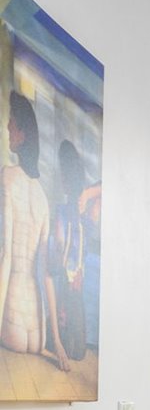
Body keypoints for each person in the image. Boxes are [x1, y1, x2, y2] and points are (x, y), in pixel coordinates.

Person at [0, 90, 67, 370]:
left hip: (12, 319)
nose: (7, 127)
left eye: (12, 123)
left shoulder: (7, 176)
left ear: (23, 133)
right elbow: (46, 273)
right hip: (36, 333)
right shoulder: (41, 196)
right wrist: (57, 344)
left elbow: (5, 255)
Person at [50, 140, 89, 362]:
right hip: (64, 276)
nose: (62, 180)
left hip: (75, 279)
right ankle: (59, 328)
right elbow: (59, 249)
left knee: (79, 352)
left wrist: (78, 272)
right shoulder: (62, 211)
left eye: (64, 175)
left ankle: (66, 330)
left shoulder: (82, 209)